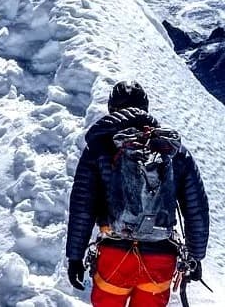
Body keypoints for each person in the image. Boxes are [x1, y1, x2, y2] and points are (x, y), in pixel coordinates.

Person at [66, 81, 209, 307]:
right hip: (160, 258)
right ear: (146, 108)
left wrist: (75, 257)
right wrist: (195, 256)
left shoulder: (99, 147)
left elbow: (82, 208)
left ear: (112, 109)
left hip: (114, 256)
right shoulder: (171, 149)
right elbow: (196, 209)